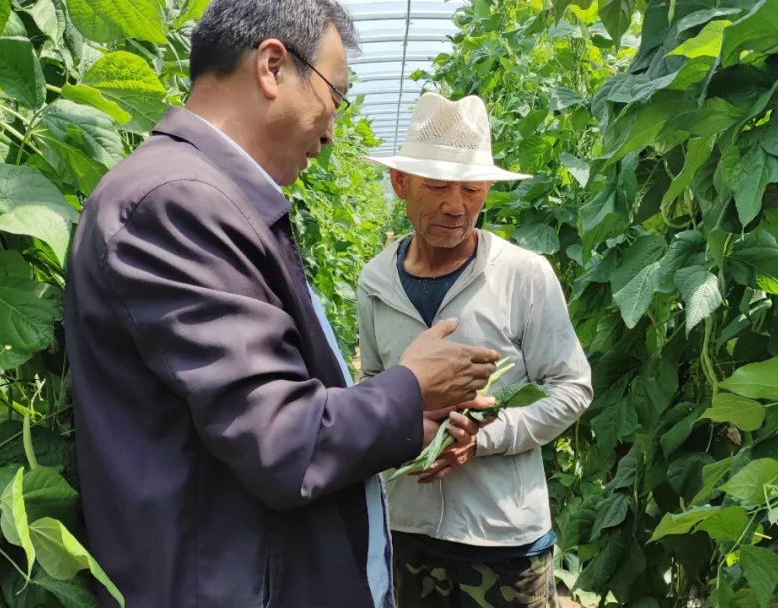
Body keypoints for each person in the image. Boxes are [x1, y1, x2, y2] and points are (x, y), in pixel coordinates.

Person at [62, 3, 500, 607]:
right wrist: (410, 388)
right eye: (334, 98)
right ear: (272, 66)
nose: (330, 131)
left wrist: (410, 415)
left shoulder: (214, 200)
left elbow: (256, 411)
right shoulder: (179, 203)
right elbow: (282, 441)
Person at [357, 93, 594, 608]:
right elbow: (371, 380)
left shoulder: (522, 274)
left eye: (472, 188)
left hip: (502, 538)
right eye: (438, 186)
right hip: (405, 529)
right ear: (400, 183)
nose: (456, 205)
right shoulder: (375, 280)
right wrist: (399, 416)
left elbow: (572, 387)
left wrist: (484, 438)